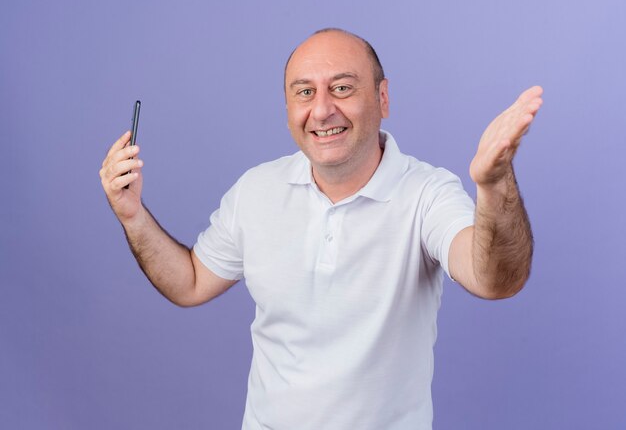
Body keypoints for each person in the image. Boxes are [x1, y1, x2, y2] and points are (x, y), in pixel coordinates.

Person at [100, 28, 543, 429]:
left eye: (343, 88)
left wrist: (494, 183)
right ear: (288, 106)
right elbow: (191, 282)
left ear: (382, 98)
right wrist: (132, 216)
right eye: (304, 92)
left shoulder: (427, 193)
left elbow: (495, 280)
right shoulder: (256, 190)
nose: (322, 109)